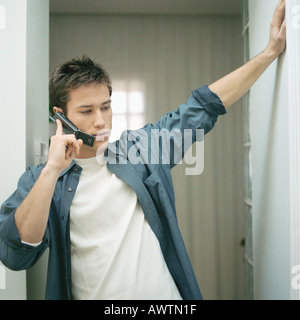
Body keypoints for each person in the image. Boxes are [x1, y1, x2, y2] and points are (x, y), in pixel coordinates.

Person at [0, 0, 286, 300]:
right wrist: (51, 171)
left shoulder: (140, 150)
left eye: (106, 107)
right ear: (59, 115)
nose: (100, 121)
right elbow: (16, 255)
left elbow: (203, 107)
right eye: (86, 111)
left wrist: (269, 53)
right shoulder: (41, 180)